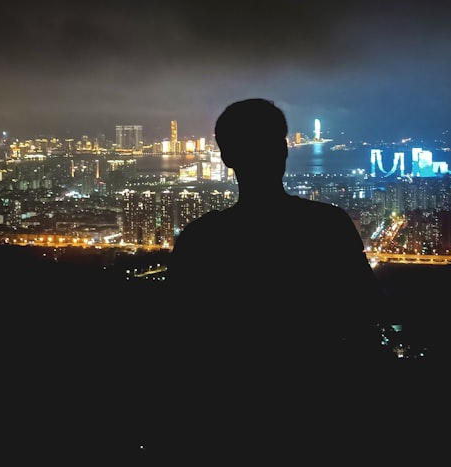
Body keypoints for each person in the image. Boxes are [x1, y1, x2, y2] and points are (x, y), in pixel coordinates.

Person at [148, 98, 387, 460]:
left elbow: (176, 341)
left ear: (227, 158)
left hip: (226, 426)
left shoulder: (202, 240)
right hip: (321, 419)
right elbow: (366, 319)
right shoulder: (327, 226)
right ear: (284, 151)